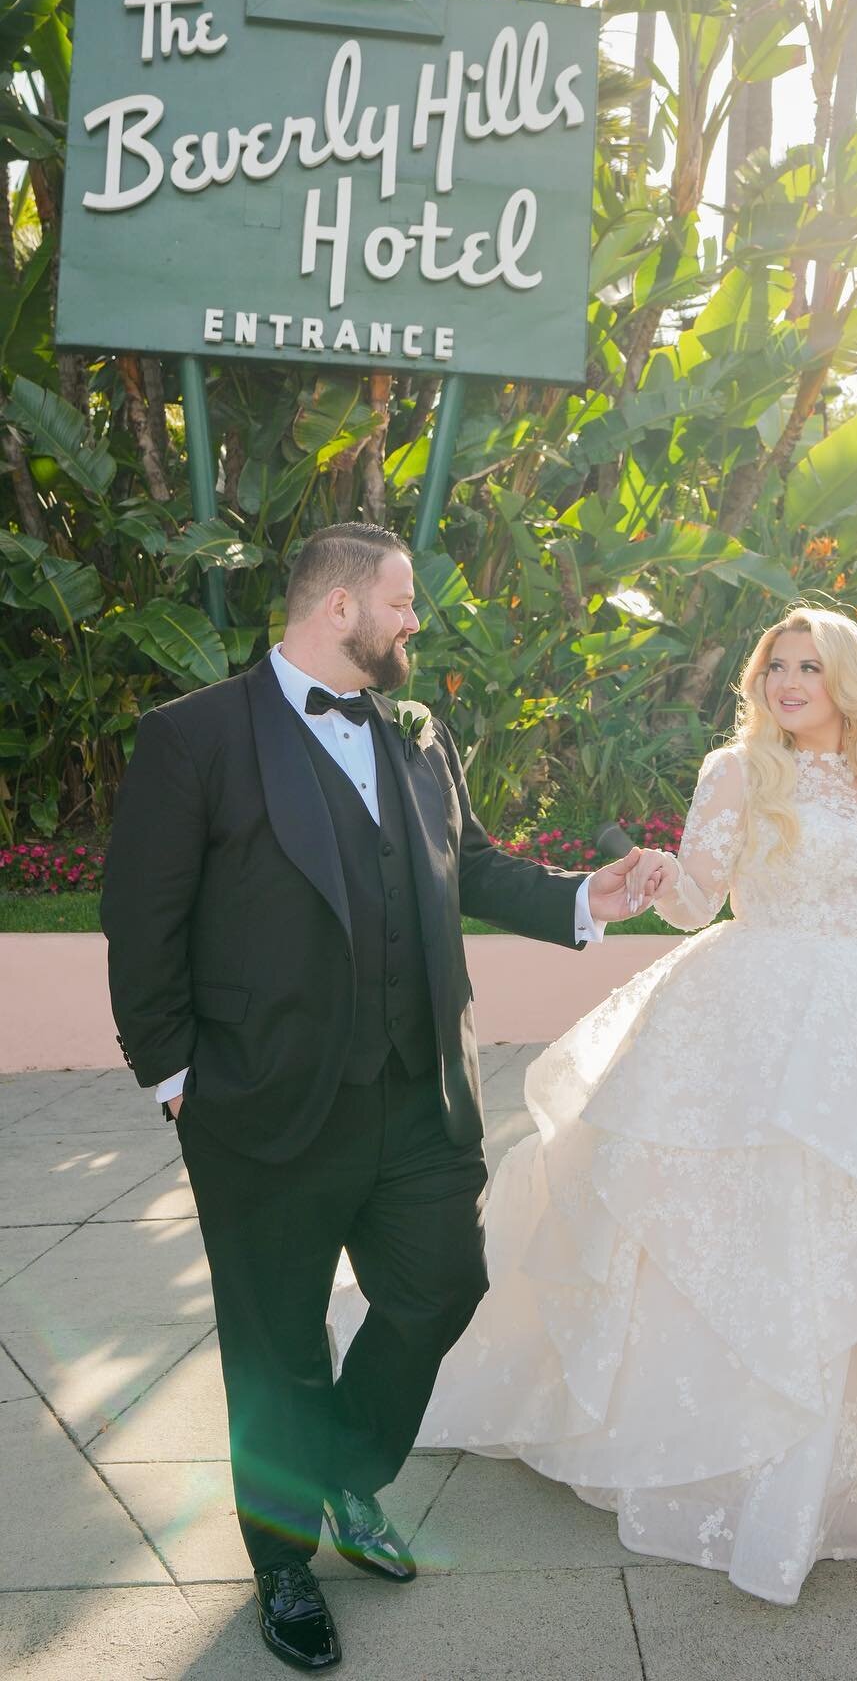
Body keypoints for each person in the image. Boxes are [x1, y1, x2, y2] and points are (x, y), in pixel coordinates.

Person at [331, 604, 857, 1606]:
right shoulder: (739, 772)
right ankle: (748, 1452)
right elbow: (700, 901)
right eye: (774, 666)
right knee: (765, 1226)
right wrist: (662, 876)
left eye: (807, 665)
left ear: (847, 679)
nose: (787, 682)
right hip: (760, 1019)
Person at [101, 523, 666, 1672]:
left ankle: (348, 1472)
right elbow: (140, 919)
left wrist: (581, 897)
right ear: (341, 607)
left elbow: (473, 864)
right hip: (263, 1106)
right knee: (276, 1344)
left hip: (418, 1097)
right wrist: (175, 1081)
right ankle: (282, 1564)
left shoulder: (417, 733)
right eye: (403, 603)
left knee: (441, 1287)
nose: (417, 622)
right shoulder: (194, 738)